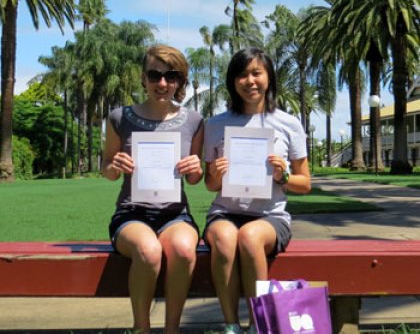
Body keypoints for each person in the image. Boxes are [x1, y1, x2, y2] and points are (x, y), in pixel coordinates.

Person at [203, 47, 311, 334]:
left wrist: (283, 175)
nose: (249, 81)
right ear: (232, 81)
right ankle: (231, 325)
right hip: (225, 212)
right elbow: (209, 185)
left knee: (250, 237)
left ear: (269, 78)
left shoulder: (288, 124)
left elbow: (305, 183)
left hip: (270, 217)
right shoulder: (215, 125)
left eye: (256, 73)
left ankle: (259, 326)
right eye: (241, 74)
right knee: (226, 239)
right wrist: (215, 174)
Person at [102, 44, 204, 334]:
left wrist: (196, 169)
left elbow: (195, 179)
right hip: (131, 214)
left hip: (175, 214)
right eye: (155, 74)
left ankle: (172, 329)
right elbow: (107, 170)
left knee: (185, 250)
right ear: (143, 78)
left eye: (171, 76)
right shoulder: (119, 118)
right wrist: (115, 165)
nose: (162, 83)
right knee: (148, 251)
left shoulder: (195, 121)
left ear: (181, 81)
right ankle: (142, 329)